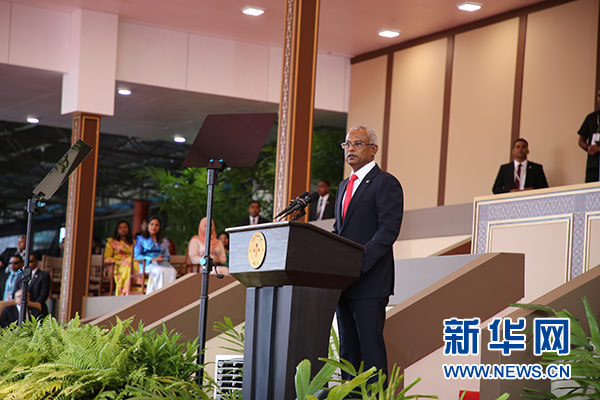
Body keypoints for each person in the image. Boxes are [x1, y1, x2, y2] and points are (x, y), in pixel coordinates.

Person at [333, 125, 404, 380]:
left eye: (357, 144)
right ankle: (350, 396)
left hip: (370, 282)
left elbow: (388, 230)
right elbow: (339, 230)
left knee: (370, 353)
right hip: (343, 283)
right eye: (347, 144)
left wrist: (358, 264)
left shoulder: (385, 183)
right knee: (348, 352)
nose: (350, 149)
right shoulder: (343, 186)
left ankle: (374, 396)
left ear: (373, 149)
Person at [133, 217, 176, 293]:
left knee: (172, 271)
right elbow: (137, 256)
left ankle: (168, 294)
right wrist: (152, 259)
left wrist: (163, 258)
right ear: (147, 225)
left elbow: (167, 254)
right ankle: (158, 293)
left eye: (157, 225)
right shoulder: (141, 239)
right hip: (147, 264)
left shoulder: (163, 240)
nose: (154, 227)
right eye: (152, 224)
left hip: (161, 263)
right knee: (159, 271)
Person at [104, 220, 134, 296]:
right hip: (116, 265)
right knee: (129, 265)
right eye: (120, 228)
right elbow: (106, 258)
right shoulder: (111, 242)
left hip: (131, 264)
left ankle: (129, 290)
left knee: (133, 266)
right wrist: (121, 261)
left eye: (125, 227)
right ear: (117, 229)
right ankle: (123, 292)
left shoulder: (134, 242)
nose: (123, 229)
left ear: (129, 229)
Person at [577, 90, 600, 182]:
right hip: (593, 165)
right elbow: (581, 141)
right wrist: (588, 147)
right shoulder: (591, 117)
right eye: (599, 96)